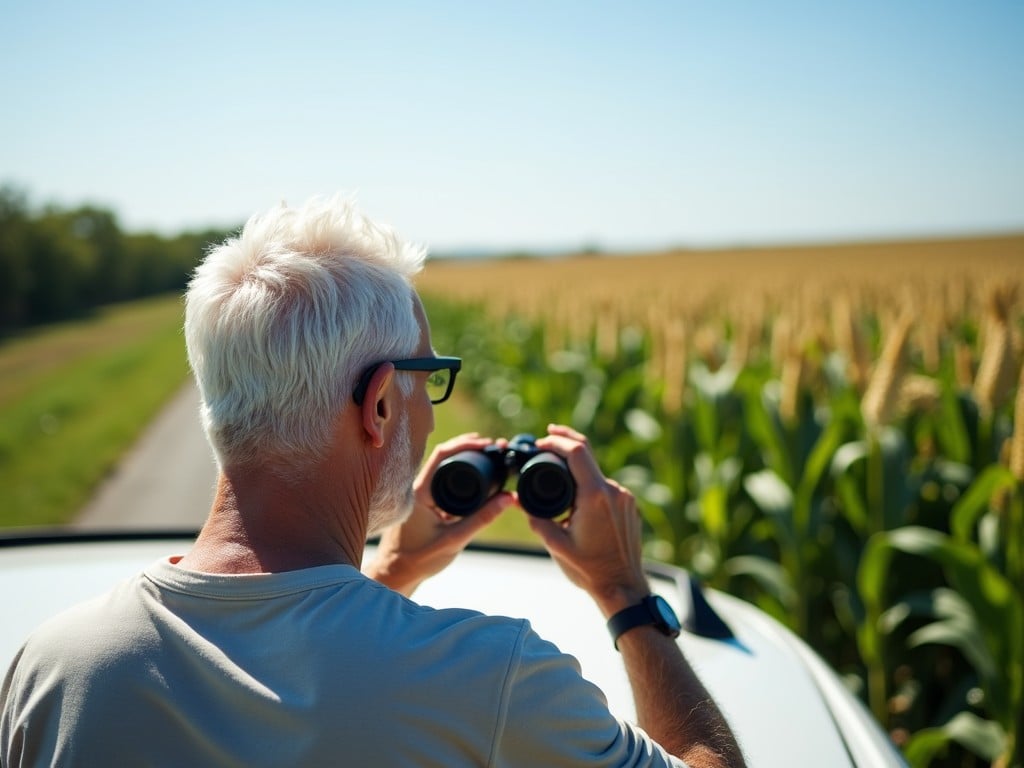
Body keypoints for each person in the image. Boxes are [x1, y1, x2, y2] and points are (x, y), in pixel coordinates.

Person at [0, 196, 745, 768]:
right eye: (429, 380)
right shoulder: (490, 681)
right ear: (381, 402)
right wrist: (625, 594)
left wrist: (393, 568)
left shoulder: (56, 668)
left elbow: (295, 660)